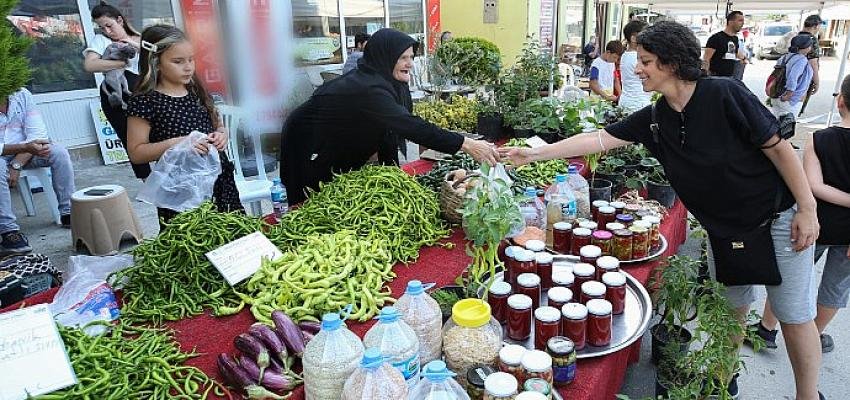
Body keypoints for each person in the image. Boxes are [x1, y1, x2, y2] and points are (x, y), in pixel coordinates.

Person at [499, 21, 825, 400]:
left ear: (671, 63)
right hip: (724, 230)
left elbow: (779, 149)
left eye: (645, 61)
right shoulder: (656, 117)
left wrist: (807, 207)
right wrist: (533, 153)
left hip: (777, 219)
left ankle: (807, 395)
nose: (637, 69)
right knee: (731, 311)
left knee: (792, 314)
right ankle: (723, 382)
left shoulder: (724, 94)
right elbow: (599, 139)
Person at [280, 28, 499, 204]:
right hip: (307, 146)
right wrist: (466, 144)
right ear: (385, 57)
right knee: (313, 199)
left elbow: (389, 131)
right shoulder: (368, 88)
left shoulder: (389, 83)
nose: (410, 63)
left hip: (338, 138)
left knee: (337, 187)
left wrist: (395, 178)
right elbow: (409, 126)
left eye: (411, 57)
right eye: (403, 57)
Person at [750, 75, 850, 356]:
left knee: (790, 277)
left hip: (813, 223)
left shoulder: (820, 139)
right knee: (836, 286)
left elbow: (813, 186)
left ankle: (767, 329)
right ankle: (812, 336)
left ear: (840, 101)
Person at [126, 25, 243, 225]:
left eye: (191, 59)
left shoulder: (196, 90)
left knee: (233, 234)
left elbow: (218, 125)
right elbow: (137, 153)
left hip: (221, 182)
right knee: (193, 238)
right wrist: (180, 143)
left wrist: (222, 134)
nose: (188, 67)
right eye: (178, 61)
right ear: (156, 62)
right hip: (181, 192)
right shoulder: (145, 101)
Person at [0, 88, 76, 253]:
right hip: (5, 154)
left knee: (59, 153)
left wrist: (17, 163)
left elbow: (38, 135)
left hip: (27, 152)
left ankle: (68, 213)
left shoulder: (21, 94)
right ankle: (8, 231)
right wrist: (25, 148)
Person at [82, 1, 150, 179]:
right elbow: (89, 65)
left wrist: (132, 44)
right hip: (116, 97)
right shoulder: (101, 40)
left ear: (120, 20)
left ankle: (167, 175)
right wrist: (120, 63)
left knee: (158, 133)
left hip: (144, 93)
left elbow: (157, 58)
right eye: (101, 27)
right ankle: (147, 181)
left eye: (109, 25)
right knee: (129, 138)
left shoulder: (140, 38)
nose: (107, 31)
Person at [769, 35, 815, 121]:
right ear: (806, 47)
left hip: (776, 95)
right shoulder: (801, 60)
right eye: (810, 45)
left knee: (775, 123)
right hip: (789, 100)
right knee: (787, 126)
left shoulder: (784, 57)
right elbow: (793, 77)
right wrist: (789, 93)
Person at [618, 20, 651, 112]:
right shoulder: (636, 57)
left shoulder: (625, 55)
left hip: (627, 101)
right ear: (633, 38)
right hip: (638, 104)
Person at [703, 11, 747, 78]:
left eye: (743, 21)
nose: (742, 23)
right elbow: (706, 58)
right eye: (740, 20)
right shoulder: (716, 38)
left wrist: (743, 58)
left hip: (729, 77)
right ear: (730, 22)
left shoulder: (735, 39)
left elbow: (735, 52)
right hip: (715, 77)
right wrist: (705, 74)